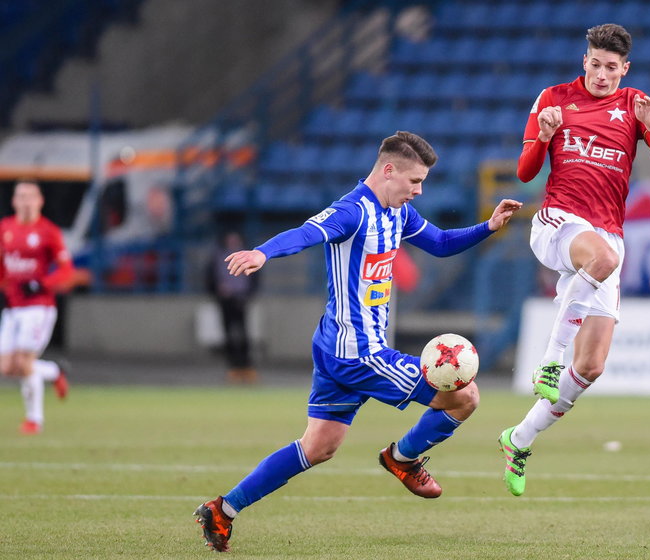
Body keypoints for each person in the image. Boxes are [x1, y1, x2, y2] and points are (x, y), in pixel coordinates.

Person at [194, 131, 522, 552]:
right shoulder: (353, 212)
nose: (419, 191)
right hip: (360, 353)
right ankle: (401, 459)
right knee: (465, 396)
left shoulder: (398, 214)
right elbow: (306, 233)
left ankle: (223, 510)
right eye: (415, 181)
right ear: (389, 170)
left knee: (318, 447)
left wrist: (489, 226)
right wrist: (263, 252)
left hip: (335, 347)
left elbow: (439, 243)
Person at [498, 23, 650, 496]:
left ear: (626, 69)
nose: (602, 75)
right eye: (595, 64)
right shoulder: (554, 99)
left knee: (594, 366)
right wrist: (542, 135)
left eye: (612, 68)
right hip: (558, 222)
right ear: (585, 61)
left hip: (607, 235)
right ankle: (548, 361)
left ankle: (519, 439)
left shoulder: (634, 104)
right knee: (600, 258)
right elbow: (524, 171)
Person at [0, 180, 74, 434]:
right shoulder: (5, 228)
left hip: (38, 307)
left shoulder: (48, 231)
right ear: (14, 201)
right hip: (13, 307)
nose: (26, 201)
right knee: (6, 367)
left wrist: (43, 283)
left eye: (31, 196)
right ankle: (54, 371)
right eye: (21, 196)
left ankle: (34, 420)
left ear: (40, 201)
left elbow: (66, 269)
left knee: (23, 362)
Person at [206, 231, 259, 383]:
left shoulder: (247, 256)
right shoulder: (218, 257)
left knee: (244, 333)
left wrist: (248, 294)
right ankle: (233, 366)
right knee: (228, 334)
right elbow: (211, 277)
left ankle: (246, 365)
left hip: (241, 299)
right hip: (225, 301)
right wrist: (218, 290)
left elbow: (254, 278)